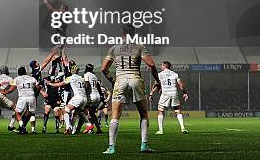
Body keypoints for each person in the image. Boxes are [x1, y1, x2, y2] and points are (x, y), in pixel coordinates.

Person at [100, 24, 161, 155]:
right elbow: (151, 64)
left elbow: (104, 69)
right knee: (144, 114)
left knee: (115, 115)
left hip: (120, 80)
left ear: (122, 34)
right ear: (134, 34)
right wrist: (158, 81)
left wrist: (112, 80)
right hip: (135, 79)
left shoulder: (114, 48)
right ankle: (144, 145)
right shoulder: (139, 47)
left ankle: (111, 147)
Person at [46, 62, 88, 135]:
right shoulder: (82, 78)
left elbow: (60, 84)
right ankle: (88, 125)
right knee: (77, 113)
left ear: (71, 71)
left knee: (66, 110)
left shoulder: (70, 78)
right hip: (84, 98)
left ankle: (68, 127)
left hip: (78, 97)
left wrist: (49, 84)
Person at [1, 66, 44, 134]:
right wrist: (35, 92)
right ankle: (33, 130)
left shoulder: (17, 79)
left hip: (22, 97)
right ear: (25, 72)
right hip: (31, 97)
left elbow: (11, 89)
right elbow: (38, 87)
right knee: (31, 113)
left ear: (18, 73)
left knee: (17, 113)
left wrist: (4, 92)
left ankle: (21, 126)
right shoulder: (32, 78)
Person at [150, 61, 189, 134]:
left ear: (164, 66)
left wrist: (151, 94)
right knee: (178, 111)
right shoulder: (174, 74)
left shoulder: (160, 74)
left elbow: (155, 85)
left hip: (165, 94)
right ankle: (183, 128)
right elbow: (181, 85)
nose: (161, 67)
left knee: (161, 111)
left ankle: (160, 130)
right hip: (174, 93)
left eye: (162, 65)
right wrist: (185, 93)